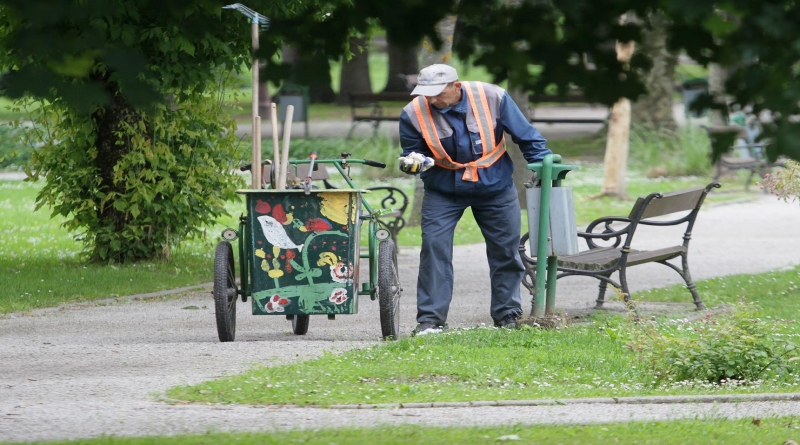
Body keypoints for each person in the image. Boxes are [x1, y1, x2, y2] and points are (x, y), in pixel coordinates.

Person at [398, 63, 552, 336]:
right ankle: (431, 321)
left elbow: (528, 137)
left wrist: (542, 167)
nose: (431, 100)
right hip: (443, 190)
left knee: (506, 251)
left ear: (456, 86)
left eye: (438, 93)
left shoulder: (493, 97)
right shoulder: (412, 113)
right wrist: (414, 162)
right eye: (426, 93)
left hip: (496, 187)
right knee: (434, 249)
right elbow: (414, 151)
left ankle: (508, 315)